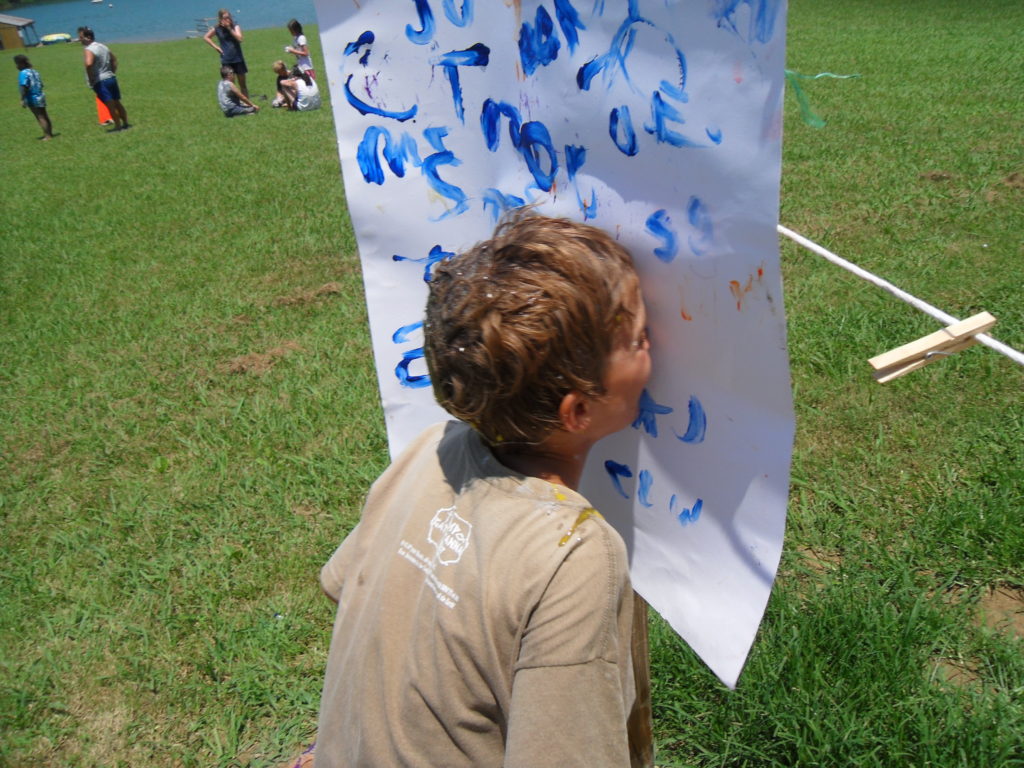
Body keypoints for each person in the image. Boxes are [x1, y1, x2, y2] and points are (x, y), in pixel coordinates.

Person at [315, 212, 651, 767]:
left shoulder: (431, 449)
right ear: (579, 410)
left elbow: (345, 587)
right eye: (639, 339)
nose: (655, 343)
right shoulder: (573, 555)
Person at [78, 26, 129, 131]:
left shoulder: (89, 49)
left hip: (100, 80)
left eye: (81, 37)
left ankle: (118, 126)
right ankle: (125, 123)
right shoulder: (103, 46)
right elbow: (114, 59)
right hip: (110, 78)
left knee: (109, 104)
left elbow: (88, 64)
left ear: (88, 37)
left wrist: (91, 77)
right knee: (117, 102)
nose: (80, 40)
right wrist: (112, 71)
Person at [203, 9, 248, 97]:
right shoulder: (217, 28)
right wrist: (216, 47)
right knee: (230, 85)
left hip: (238, 58)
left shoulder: (235, 26)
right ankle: (235, 104)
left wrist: (229, 29)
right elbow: (206, 37)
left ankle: (247, 104)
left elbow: (240, 39)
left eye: (229, 17)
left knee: (242, 84)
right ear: (220, 19)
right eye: (225, 18)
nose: (228, 19)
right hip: (226, 60)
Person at [14, 54, 53, 140]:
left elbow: (23, 87)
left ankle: (47, 136)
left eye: (17, 64)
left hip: (32, 97)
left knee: (39, 116)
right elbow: (41, 84)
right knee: (45, 115)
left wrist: (22, 99)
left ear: (21, 64)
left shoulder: (23, 73)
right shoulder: (34, 71)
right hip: (40, 95)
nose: (16, 66)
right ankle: (50, 133)